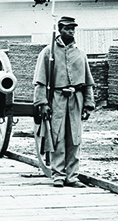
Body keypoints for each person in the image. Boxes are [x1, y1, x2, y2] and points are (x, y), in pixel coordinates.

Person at [33, 16, 95, 188]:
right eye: (67, 28)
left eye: (73, 28)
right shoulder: (48, 52)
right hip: (57, 100)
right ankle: (58, 175)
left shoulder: (80, 53)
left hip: (76, 99)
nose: (71, 31)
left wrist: (89, 105)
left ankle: (72, 176)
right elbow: (40, 81)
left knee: (75, 138)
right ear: (59, 30)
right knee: (57, 137)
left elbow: (88, 83)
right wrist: (43, 103)